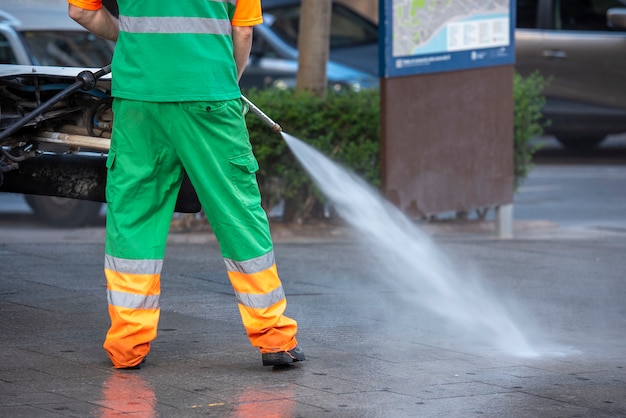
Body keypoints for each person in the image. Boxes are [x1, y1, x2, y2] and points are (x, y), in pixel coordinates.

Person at [67, 0, 304, 369]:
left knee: (134, 216)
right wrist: (227, 84)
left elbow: (81, 11)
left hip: (139, 100)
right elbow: (242, 31)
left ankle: (127, 346)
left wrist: (130, 35)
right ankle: (274, 337)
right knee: (237, 213)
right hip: (210, 96)